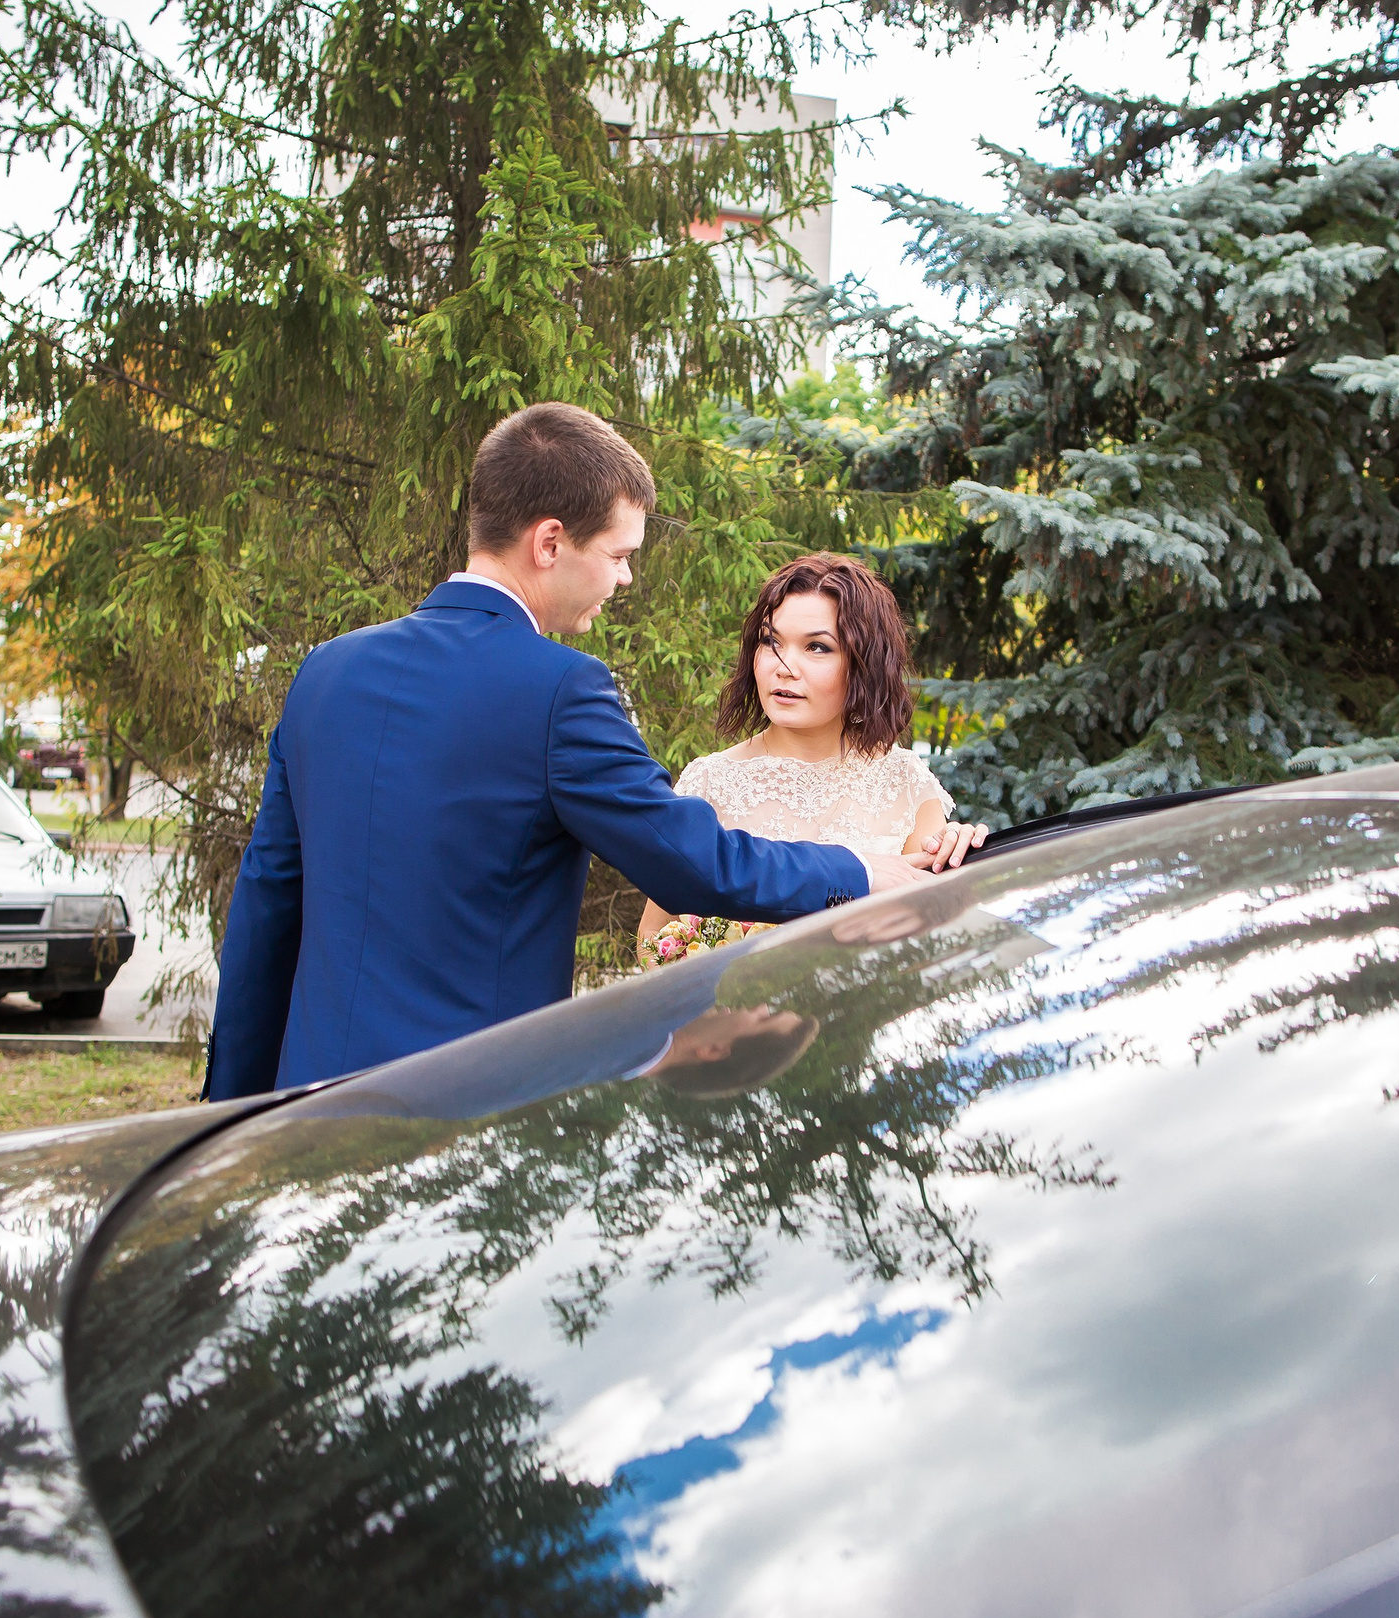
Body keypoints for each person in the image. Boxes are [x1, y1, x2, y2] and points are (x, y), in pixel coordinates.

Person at [205, 404, 934, 1099]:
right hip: (473, 1114)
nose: (624, 577)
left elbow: (267, 904)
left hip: (308, 1108)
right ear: (549, 543)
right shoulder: (560, 690)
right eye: (619, 554)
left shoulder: (327, 671)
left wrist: (230, 1114)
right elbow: (693, 865)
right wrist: (856, 870)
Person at [636, 552, 987, 962]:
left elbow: (932, 936)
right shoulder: (709, 783)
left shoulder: (905, 782)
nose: (785, 667)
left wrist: (961, 855)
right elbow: (654, 937)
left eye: (817, 647)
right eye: (772, 642)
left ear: (863, 664)